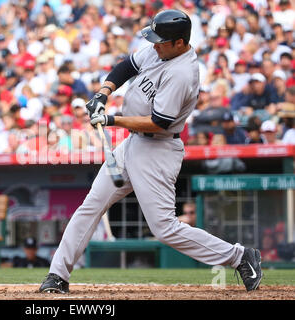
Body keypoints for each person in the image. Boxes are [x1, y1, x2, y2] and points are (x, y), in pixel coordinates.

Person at [39, 10, 262, 294]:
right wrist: (103, 94)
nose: (154, 45)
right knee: (91, 206)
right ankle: (57, 275)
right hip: (133, 143)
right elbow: (125, 67)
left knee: (164, 228)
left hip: (158, 148)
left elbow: (159, 122)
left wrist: (112, 119)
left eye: (161, 41)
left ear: (180, 43)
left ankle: (240, 256)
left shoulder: (183, 72)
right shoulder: (161, 50)